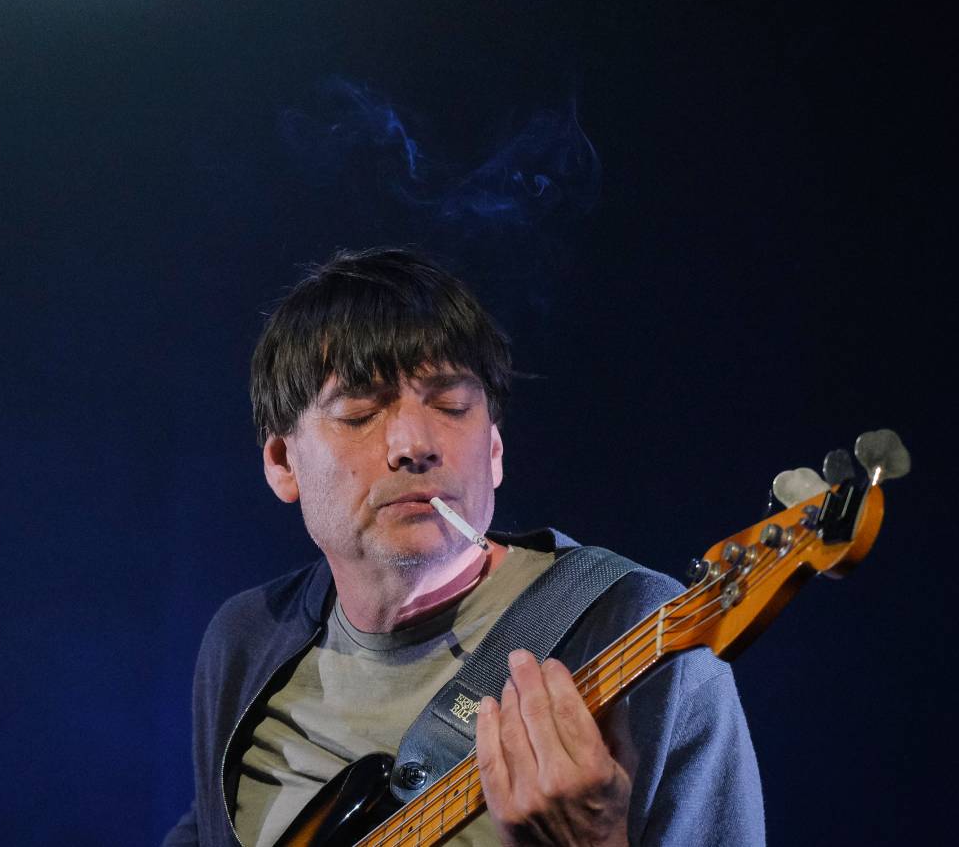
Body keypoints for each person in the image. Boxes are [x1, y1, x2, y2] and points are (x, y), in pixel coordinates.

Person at [162, 248, 763, 847]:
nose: (414, 444)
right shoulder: (248, 638)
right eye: (360, 413)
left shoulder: (644, 631)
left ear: (494, 451)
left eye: (451, 407)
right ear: (282, 463)